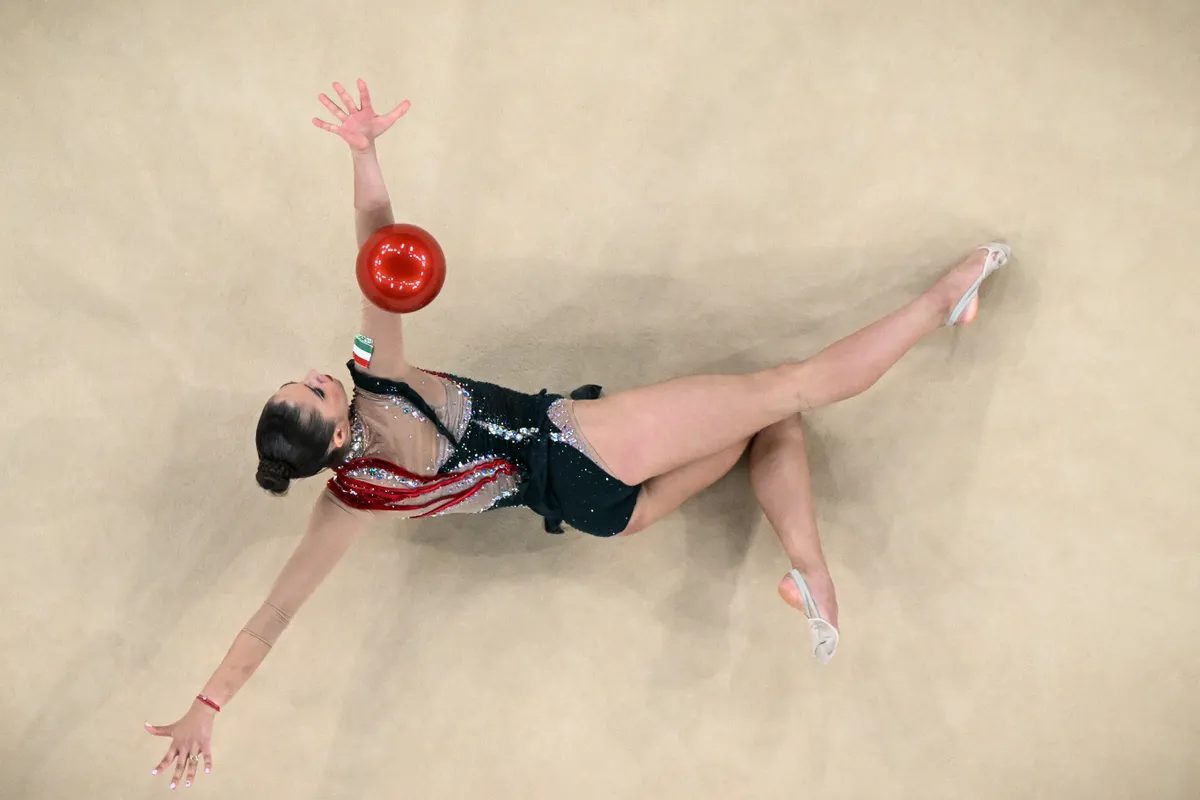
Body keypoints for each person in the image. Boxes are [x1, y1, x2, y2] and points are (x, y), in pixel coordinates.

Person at [145, 78, 1009, 789]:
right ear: (336, 431)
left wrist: (208, 706)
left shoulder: (347, 503)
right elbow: (381, 262)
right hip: (584, 443)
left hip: (598, 513)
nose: (319, 375)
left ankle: (813, 579)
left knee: (768, 420)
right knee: (787, 385)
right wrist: (366, 156)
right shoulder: (384, 383)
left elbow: (273, 615)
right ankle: (943, 305)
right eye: (315, 391)